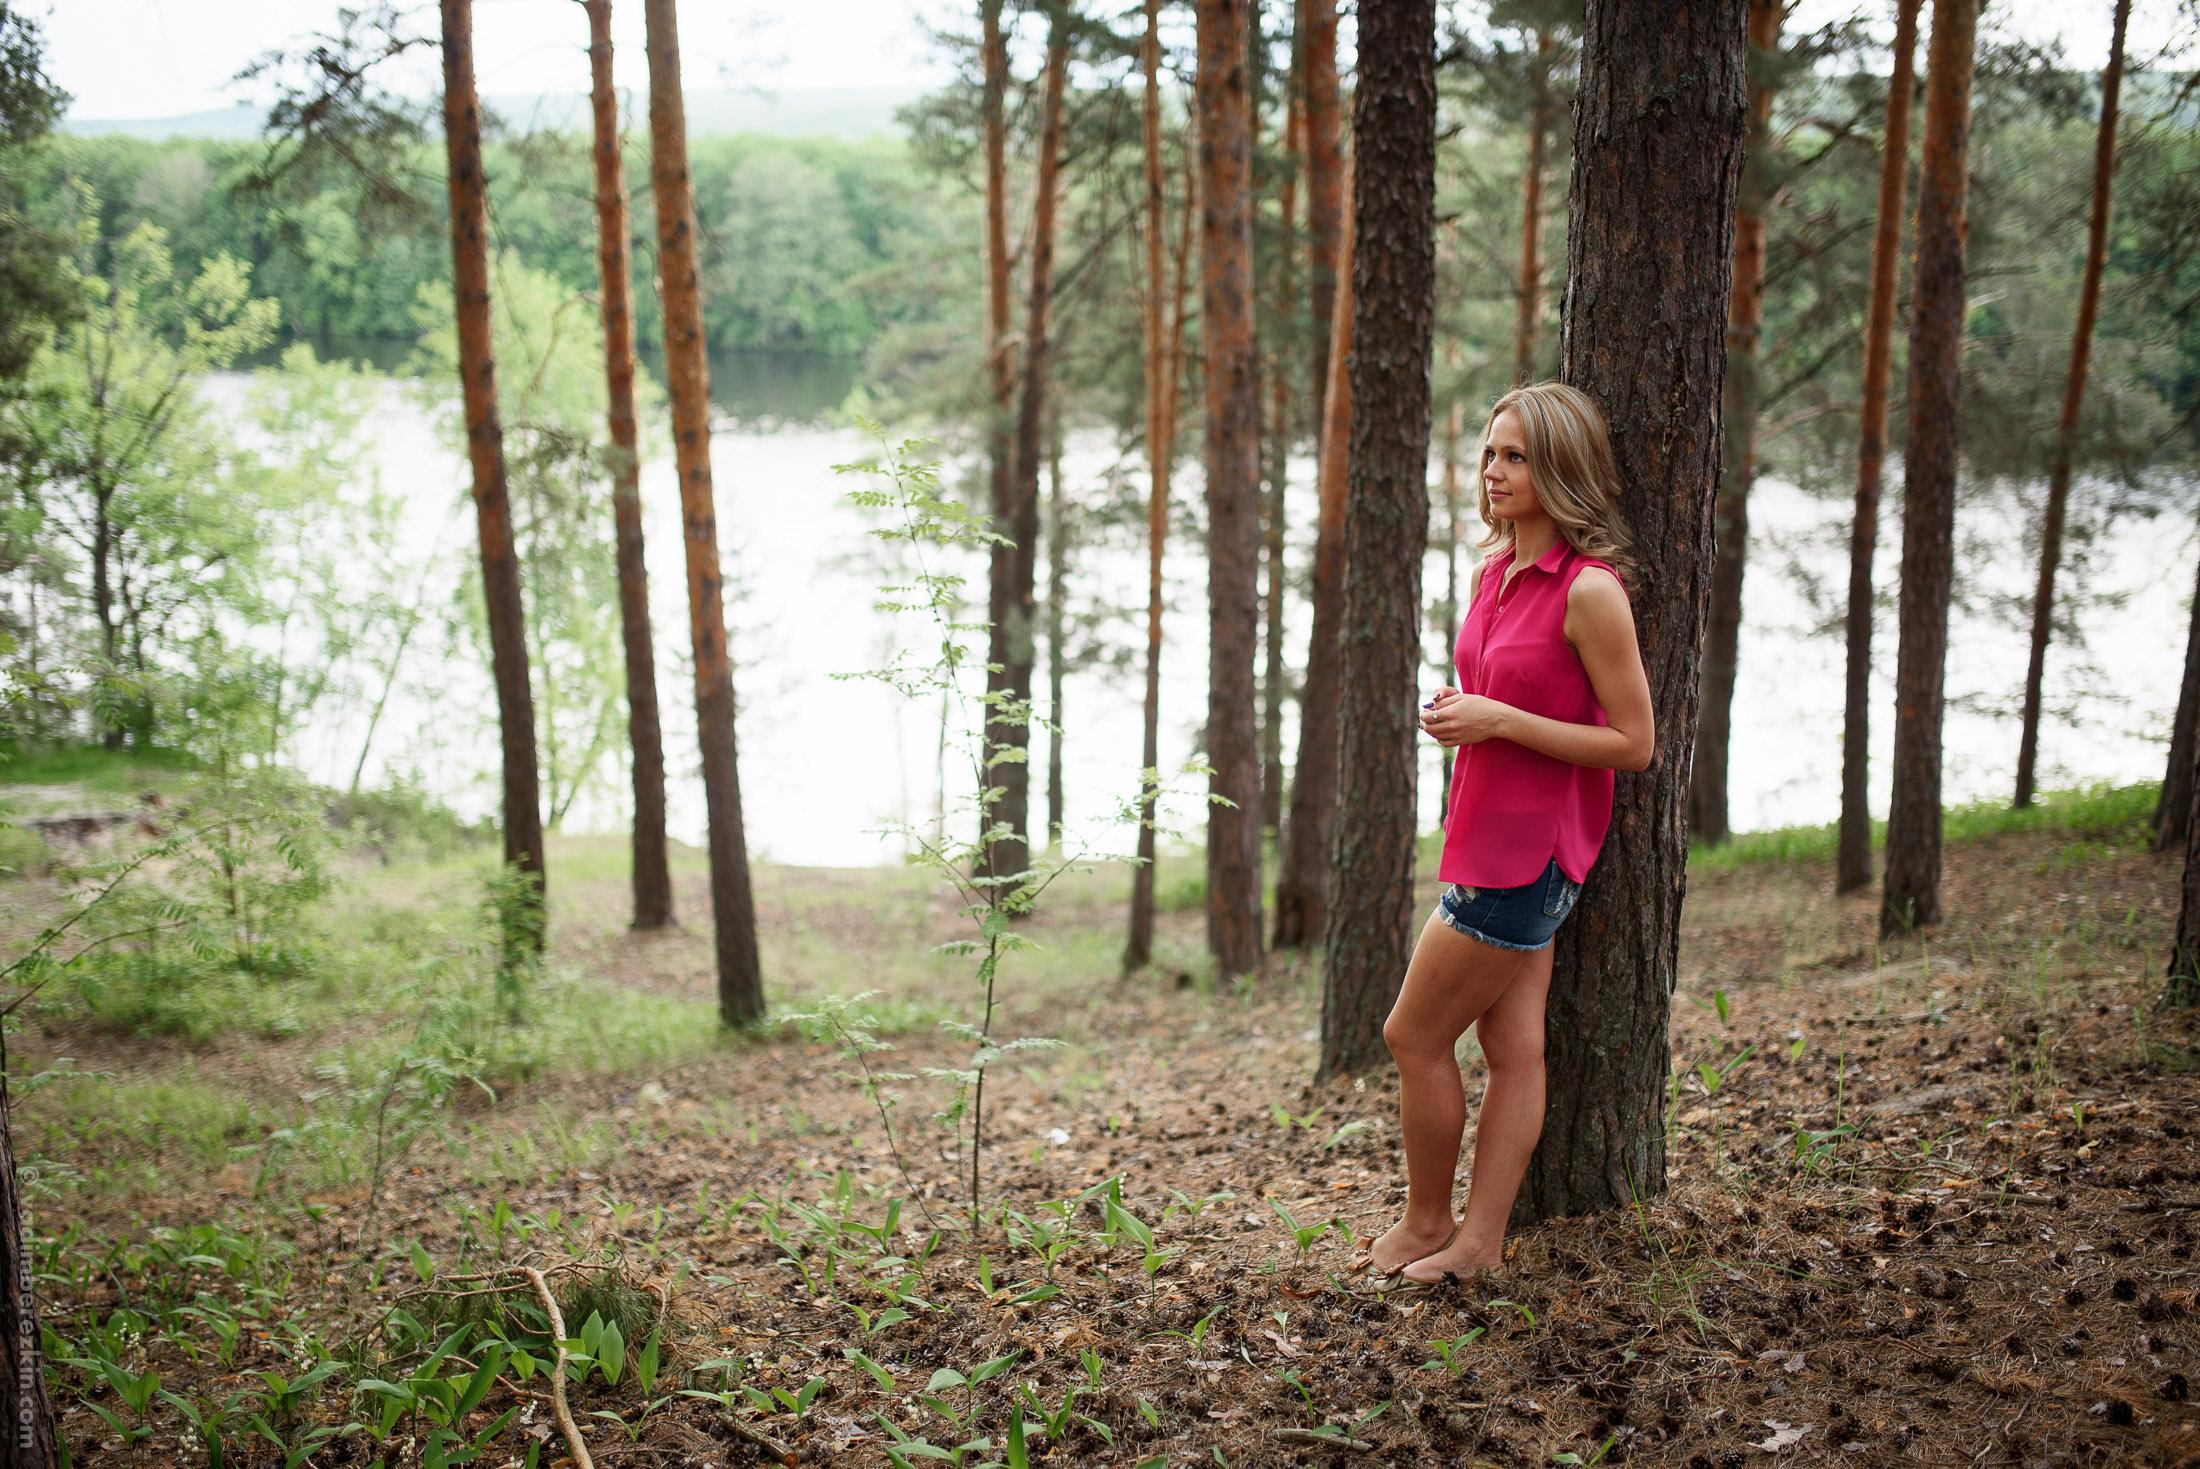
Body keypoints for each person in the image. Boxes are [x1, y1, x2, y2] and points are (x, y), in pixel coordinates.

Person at [1355, 381, 1655, 1290]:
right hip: (1489, 838)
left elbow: (1634, 744)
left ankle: (1430, 1219)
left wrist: (1498, 721)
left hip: (1528, 861)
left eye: (1517, 456)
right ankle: (1480, 1244)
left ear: (1560, 468)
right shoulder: (1496, 574)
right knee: (1515, 1049)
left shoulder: (1591, 590)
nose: (1495, 470)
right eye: (1490, 452)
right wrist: (1463, 711)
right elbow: (1503, 694)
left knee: (1411, 1035)